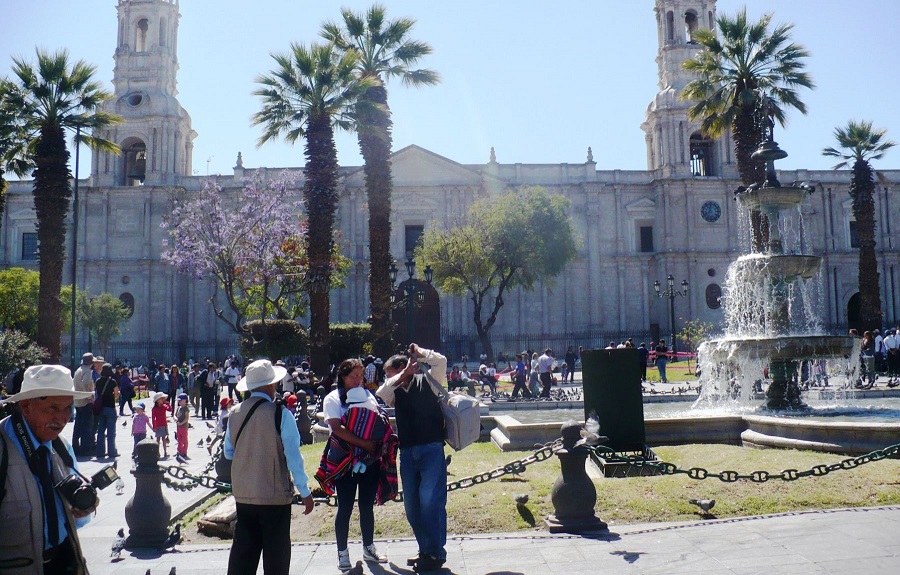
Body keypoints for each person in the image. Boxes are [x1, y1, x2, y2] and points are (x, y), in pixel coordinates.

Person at [0, 364, 97, 573]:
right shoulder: (3, 449)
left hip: (65, 563)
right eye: (52, 408)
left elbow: (79, 521)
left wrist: (83, 507)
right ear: (26, 406)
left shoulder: (62, 447)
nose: (61, 419)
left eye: (67, 408)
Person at [224, 359, 314, 575]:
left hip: (244, 494)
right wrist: (305, 492)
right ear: (270, 385)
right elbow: (293, 457)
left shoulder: (234, 413)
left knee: (243, 556)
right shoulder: (281, 413)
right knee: (276, 559)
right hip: (274, 496)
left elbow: (228, 452)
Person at [319, 359, 395, 570]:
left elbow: (378, 417)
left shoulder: (368, 395)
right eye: (354, 376)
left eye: (361, 376)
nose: (358, 380)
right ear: (343, 377)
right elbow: (336, 428)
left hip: (369, 461)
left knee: (366, 506)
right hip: (344, 461)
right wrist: (364, 443)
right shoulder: (333, 399)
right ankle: (342, 552)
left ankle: (368, 548)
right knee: (344, 507)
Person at [377, 344, 448, 572]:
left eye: (391, 373)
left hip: (431, 449)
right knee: (412, 506)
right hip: (407, 453)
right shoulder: (394, 391)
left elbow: (441, 361)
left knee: (430, 501)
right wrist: (401, 375)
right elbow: (381, 392)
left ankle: (435, 553)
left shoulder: (429, 382)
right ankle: (425, 549)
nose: (390, 378)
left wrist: (421, 353)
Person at [71, 353, 95, 456]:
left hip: (77, 400)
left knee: (78, 426)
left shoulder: (78, 370)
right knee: (87, 427)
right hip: (85, 401)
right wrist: (88, 396)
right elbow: (85, 384)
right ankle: (85, 449)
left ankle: (75, 448)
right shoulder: (88, 371)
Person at [94, 364, 119, 460]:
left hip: (101, 408)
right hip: (110, 407)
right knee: (111, 432)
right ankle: (112, 452)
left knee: (100, 431)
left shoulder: (98, 381)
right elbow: (116, 394)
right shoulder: (112, 382)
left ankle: (100, 452)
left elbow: (96, 392)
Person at [151, 392, 170, 458]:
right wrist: (154, 426)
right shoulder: (154, 409)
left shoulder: (163, 406)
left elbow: (170, 410)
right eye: (162, 399)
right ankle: (157, 452)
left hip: (164, 424)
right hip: (158, 425)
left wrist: (168, 404)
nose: (163, 400)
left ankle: (165, 451)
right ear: (157, 400)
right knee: (158, 439)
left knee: (164, 439)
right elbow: (153, 418)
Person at [175, 393, 190, 461]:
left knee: (184, 439)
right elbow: (175, 415)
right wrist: (175, 418)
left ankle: (184, 451)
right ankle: (179, 450)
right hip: (178, 426)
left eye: (180, 400)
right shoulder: (178, 408)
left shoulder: (185, 409)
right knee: (179, 439)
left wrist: (181, 423)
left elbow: (187, 418)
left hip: (183, 426)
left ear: (185, 400)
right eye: (178, 401)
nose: (179, 402)